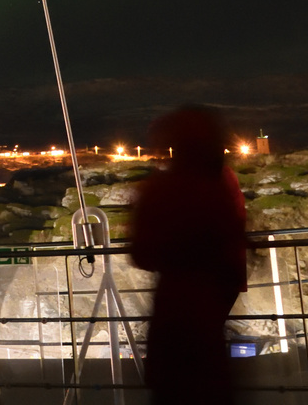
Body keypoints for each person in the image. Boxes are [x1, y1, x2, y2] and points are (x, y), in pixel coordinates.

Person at [129, 107, 247, 405]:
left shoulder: (161, 190)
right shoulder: (220, 185)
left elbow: (142, 254)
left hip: (174, 306)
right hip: (209, 303)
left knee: (174, 386)